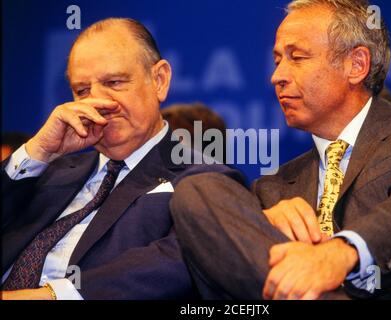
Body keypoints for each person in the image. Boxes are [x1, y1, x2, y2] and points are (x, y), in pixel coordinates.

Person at [170, 0, 391, 300]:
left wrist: (340, 252)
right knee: (199, 187)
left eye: (297, 57)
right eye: (277, 60)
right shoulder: (271, 190)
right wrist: (261, 222)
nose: (276, 76)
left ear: (356, 65)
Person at [1, 18, 241, 300]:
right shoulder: (50, 170)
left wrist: (50, 297)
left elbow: (180, 261)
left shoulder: (204, 177)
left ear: (159, 80)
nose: (97, 103)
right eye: (82, 90)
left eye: (113, 83)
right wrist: (38, 151)